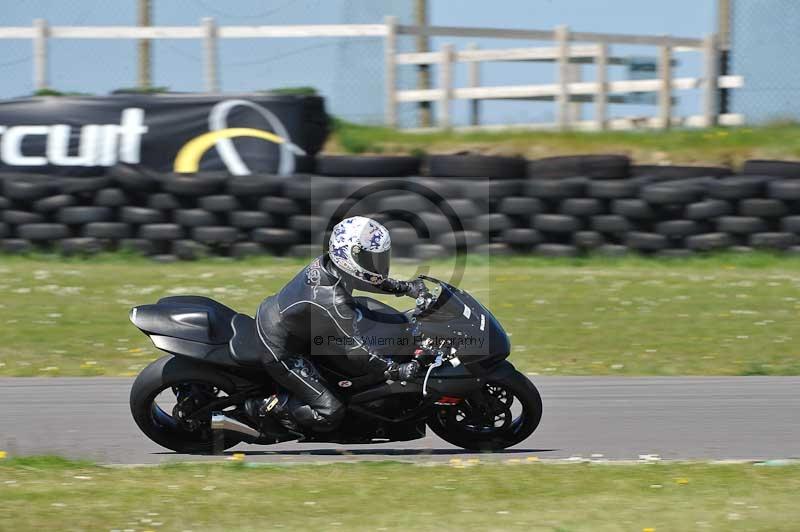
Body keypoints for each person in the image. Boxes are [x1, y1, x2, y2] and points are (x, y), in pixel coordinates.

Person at [247, 216, 427, 432]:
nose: (377, 264)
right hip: (280, 348)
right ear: (349, 256)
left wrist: (406, 288)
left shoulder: (332, 264)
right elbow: (356, 350)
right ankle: (264, 408)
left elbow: (368, 278)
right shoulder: (331, 299)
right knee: (330, 412)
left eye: (379, 258)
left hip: (295, 323)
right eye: (371, 259)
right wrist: (395, 370)